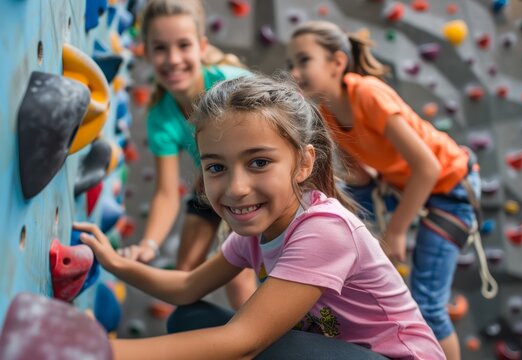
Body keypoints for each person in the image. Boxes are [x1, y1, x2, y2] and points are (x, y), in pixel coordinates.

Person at [76, 74, 445, 359]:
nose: (236, 187)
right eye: (216, 167)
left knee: (251, 345)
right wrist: (113, 263)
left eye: (259, 162)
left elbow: (243, 343)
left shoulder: (324, 229)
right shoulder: (257, 232)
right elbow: (187, 286)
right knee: (188, 318)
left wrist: (96, 351)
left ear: (303, 163)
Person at [287, 20, 497, 360]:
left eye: (304, 60)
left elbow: (427, 167)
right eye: (291, 64)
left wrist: (395, 231)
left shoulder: (367, 93)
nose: (295, 72)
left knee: (428, 304)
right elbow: (359, 175)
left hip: (452, 187)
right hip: (410, 187)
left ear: (337, 63)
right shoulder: (326, 112)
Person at [122, 0, 256, 308]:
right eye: (160, 48)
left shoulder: (231, 83)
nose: (173, 59)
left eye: (183, 45)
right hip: (215, 187)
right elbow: (167, 193)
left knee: (236, 273)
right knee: (184, 273)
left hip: (255, 178)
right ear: (147, 52)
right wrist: (148, 243)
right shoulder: (160, 116)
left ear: (201, 46)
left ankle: (257, 345)